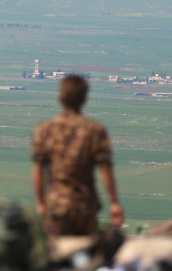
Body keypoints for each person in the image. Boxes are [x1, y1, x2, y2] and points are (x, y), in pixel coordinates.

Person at [31, 74, 123, 237]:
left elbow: (39, 168)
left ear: (60, 98)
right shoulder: (95, 130)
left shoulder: (45, 130)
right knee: (86, 249)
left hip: (56, 205)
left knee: (56, 249)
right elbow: (105, 168)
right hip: (85, 205)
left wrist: (40, 202)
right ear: (84, 100)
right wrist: (114, 203)